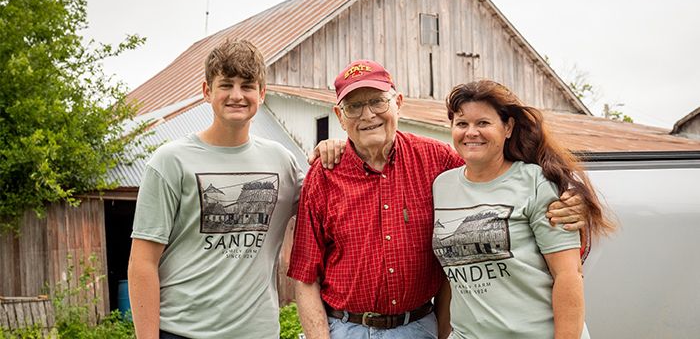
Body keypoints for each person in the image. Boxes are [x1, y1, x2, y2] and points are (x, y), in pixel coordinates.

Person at [289, 59, 589, 339]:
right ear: (340, 117)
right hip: (346, 329)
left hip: (421, 328)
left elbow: (497, 179)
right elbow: (304, 276)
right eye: (354, 106)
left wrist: (574, 202)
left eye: (377, 101)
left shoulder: (439, 162)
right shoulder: (324, 174)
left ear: (398, 104)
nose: (368, 115)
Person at [127, 39, 304, 339]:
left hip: (258, 333)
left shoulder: (282, 162)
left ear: (261, 93)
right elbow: (142, 263)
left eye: (247, 85)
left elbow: (328, 205)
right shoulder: (171, 161)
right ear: (207, 91)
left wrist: (336, 149)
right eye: (226, 85)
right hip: (182, 332)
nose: (237, 95)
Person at [432, 80, 615, 339]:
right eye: (462, 124)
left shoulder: (537, 182)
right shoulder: (443, 185)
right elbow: (451, 275)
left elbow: (568, 275)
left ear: (507, 127)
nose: (471, 132)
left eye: (483, 123)